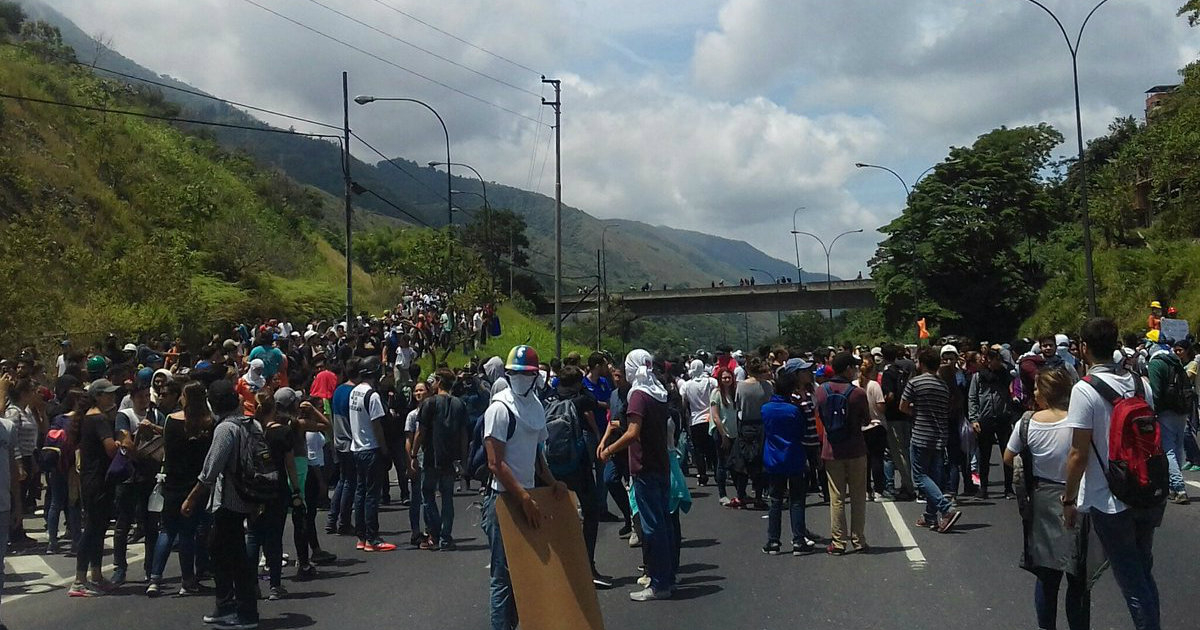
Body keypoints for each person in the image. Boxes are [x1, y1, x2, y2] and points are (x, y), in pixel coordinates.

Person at [1062, 317, 1165, 630]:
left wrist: (1068, 500)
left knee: (1131, 580)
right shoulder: (1139, 383)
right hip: (1146, 490)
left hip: (1109, 499)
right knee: (1143, 573)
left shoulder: (1084, 389)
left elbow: (1078, 453)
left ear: (1083, 348)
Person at [481, 345, 568, 629]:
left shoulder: (536, 406)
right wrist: (522, 497)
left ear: (535, 376)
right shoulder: (500, 408)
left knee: (525, 573)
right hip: (504, 499)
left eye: (526, 373)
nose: (520, 378)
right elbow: (495, 462)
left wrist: (552, 482)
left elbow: (537, 454)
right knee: (503, 577)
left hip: (529, 496)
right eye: (515, 373)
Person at [1004, 367, 1089, 630]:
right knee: (1078, 579)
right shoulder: (1080, 422)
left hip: (1042, 498)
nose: (1035, 393)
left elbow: (1008, 458)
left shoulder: (1027, 422)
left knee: (1047, 578)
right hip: (1078, 497)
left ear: (1047, 393)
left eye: (1038, 389)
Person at [600, 349, 677, 601]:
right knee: (663, 523)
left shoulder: (637, 396)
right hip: (662, 464)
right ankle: (667, 577)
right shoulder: (659, 392)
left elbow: (633, 432)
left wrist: (609, 450)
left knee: (651, 527)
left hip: (643, 467)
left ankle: (658, 583)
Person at [182, 380, 259, 629]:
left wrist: (191, 499)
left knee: (231, 555)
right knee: (221, 549)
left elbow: (210, 470)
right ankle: (226, 604)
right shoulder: (251, 423)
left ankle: (244, 612)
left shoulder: (225, 429)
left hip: (230, 502)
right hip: (249, 497)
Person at [148, 381, 213, 596]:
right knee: (187, 532)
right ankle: (187, 581)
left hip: (172, 483)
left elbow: (167, 448)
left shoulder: (170, 420)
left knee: (166, 529)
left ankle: (155, 579)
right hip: (194, 485)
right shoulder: (206, 423)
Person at [901, 348, 963, 533]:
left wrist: (917, 412)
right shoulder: (942, 386)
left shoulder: (915, 382)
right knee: (934, 477)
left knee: (920, 477)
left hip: (920, 434)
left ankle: (946, 508)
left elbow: (903, 406)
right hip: (939, 435)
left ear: (922, 363)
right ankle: (929, 515)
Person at [68, 379, 120, 598]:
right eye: (108, 394)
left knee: (99, 529)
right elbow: (110, 449)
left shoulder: (91, 417)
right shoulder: (98, 418)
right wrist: (122, 441)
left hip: (94, 480)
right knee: (92, 529)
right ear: (98, 396)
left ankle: (96, 575)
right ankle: (79, 580)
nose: (112, 397)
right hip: (96, 480)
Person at [815, 352, 870, 554]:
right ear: (847, 369)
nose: (855, 369)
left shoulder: (821, 391)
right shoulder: (857, 393)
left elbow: (820, 416)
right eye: (853, 367)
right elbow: (866, 420)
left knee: (836, 497)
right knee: (857, 496)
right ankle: (859, 539)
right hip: (855, 449)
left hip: (832, 450)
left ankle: (838, 542)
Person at [113, 380, 166, 585]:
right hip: (128, 477)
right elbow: (125, 443)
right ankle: (120, 568)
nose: (144, 400)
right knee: (123, 524)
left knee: (151, 524)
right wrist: (138, 440)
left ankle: (150, 568)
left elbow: (167, 435)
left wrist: (153, 428)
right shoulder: (125, 416)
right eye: (140, 396)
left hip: (150, 477)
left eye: (146, 396)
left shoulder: (156, 416)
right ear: (132, 398)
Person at [413, 368, 468, 551]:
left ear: (438, 381)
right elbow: (463, 435)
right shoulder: (459, 404)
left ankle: (435, 532)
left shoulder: (430, 404)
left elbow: (421, 432)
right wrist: (464, 459)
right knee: (447, 498)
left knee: (427, 494)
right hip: (450, 460)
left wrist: (413, 454)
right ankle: (446, 537)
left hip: (431, 457)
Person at [761, 363, 812, 555]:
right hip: (794, 457)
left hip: (773, 459)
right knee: (797, 500)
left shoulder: (766, 409)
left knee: (775, 500)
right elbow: (802, 431)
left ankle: (773, 540)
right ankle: (798, 540)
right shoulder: (793, 410)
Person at [348, 357, 396, 552]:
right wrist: (384, 450)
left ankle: (361, 536)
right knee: (371, 495)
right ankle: (372, 537)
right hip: (371, 448)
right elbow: (377, 425)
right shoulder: (372, 395)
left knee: (360, 492)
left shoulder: (354, 392)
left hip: (356, 448)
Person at [1145, 338, 1191, 504]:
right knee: (1178, 447)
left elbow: (1155, 392)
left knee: (1168, 449)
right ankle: (1174, 486)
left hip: (1166, 411)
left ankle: (1178, 487)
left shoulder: (1156, 364)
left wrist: (1153, 412)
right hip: (1182, 410)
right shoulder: (1175, 361)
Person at [970, 345, 1018, 500]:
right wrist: (974, 418)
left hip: (1003, 418)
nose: (996, 363)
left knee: (1006, 453)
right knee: (984, 455)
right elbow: (973, 398)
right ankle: (983, 488)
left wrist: (1002, 352)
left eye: (998, 360)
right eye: (993, 360)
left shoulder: (1006, 375)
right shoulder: (979, 377)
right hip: (985, 418)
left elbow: (1012, 366)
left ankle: (1008, 488)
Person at [730, 357, 773, 508]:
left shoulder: (741, 386)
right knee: (760, 462)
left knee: (742, 461)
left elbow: (738, 406)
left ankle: (741, 494)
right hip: (762, 425)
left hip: (745, 425)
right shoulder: (768, 386)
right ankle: (759, 496)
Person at [880, 344, 915, 501]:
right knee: (906, 451)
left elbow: (891, 395)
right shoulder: (902, 370)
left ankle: (909, 487)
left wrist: (883, 404)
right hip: (905, 415)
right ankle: (908, 484)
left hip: (893, 416)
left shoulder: (888, 373)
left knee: (898, 453)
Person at [680, 359, 717, 487]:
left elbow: (683, 402)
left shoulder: (686, 385)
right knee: (712, 448)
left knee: (698, 450)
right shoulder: (711, 382)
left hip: (695, 420)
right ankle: (718, 474)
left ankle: (702, 475)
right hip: (710, 419)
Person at [858, 353, 888, 502]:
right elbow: (881, 406)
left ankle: (866, 490)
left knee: (865, 462)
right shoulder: (874, 385)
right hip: (876, 425)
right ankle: (879, 491)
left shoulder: (854, 385)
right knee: (877, 459)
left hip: (860, 428)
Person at [405, 380, 431, 547]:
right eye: (416, 391)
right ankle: (415, 531)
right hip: (417, 458)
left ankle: (430, 530)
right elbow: (408, 439)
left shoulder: (432, 412)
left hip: (430, 459)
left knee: (427, 496)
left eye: (421, 390)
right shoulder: (412, 415)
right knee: (416, 497)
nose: (418, 393)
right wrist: (409, 461)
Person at [708, 368, 737, 505]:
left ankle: (740, 493)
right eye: (724, 378)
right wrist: (723, 435)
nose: (727, 380)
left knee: (736, 464)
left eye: (729, 377)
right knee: (722, 463)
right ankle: (722, 494)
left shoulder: (734, 393)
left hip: (735, 432)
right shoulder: (716, 393)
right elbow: (715, 416)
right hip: (721, 433)